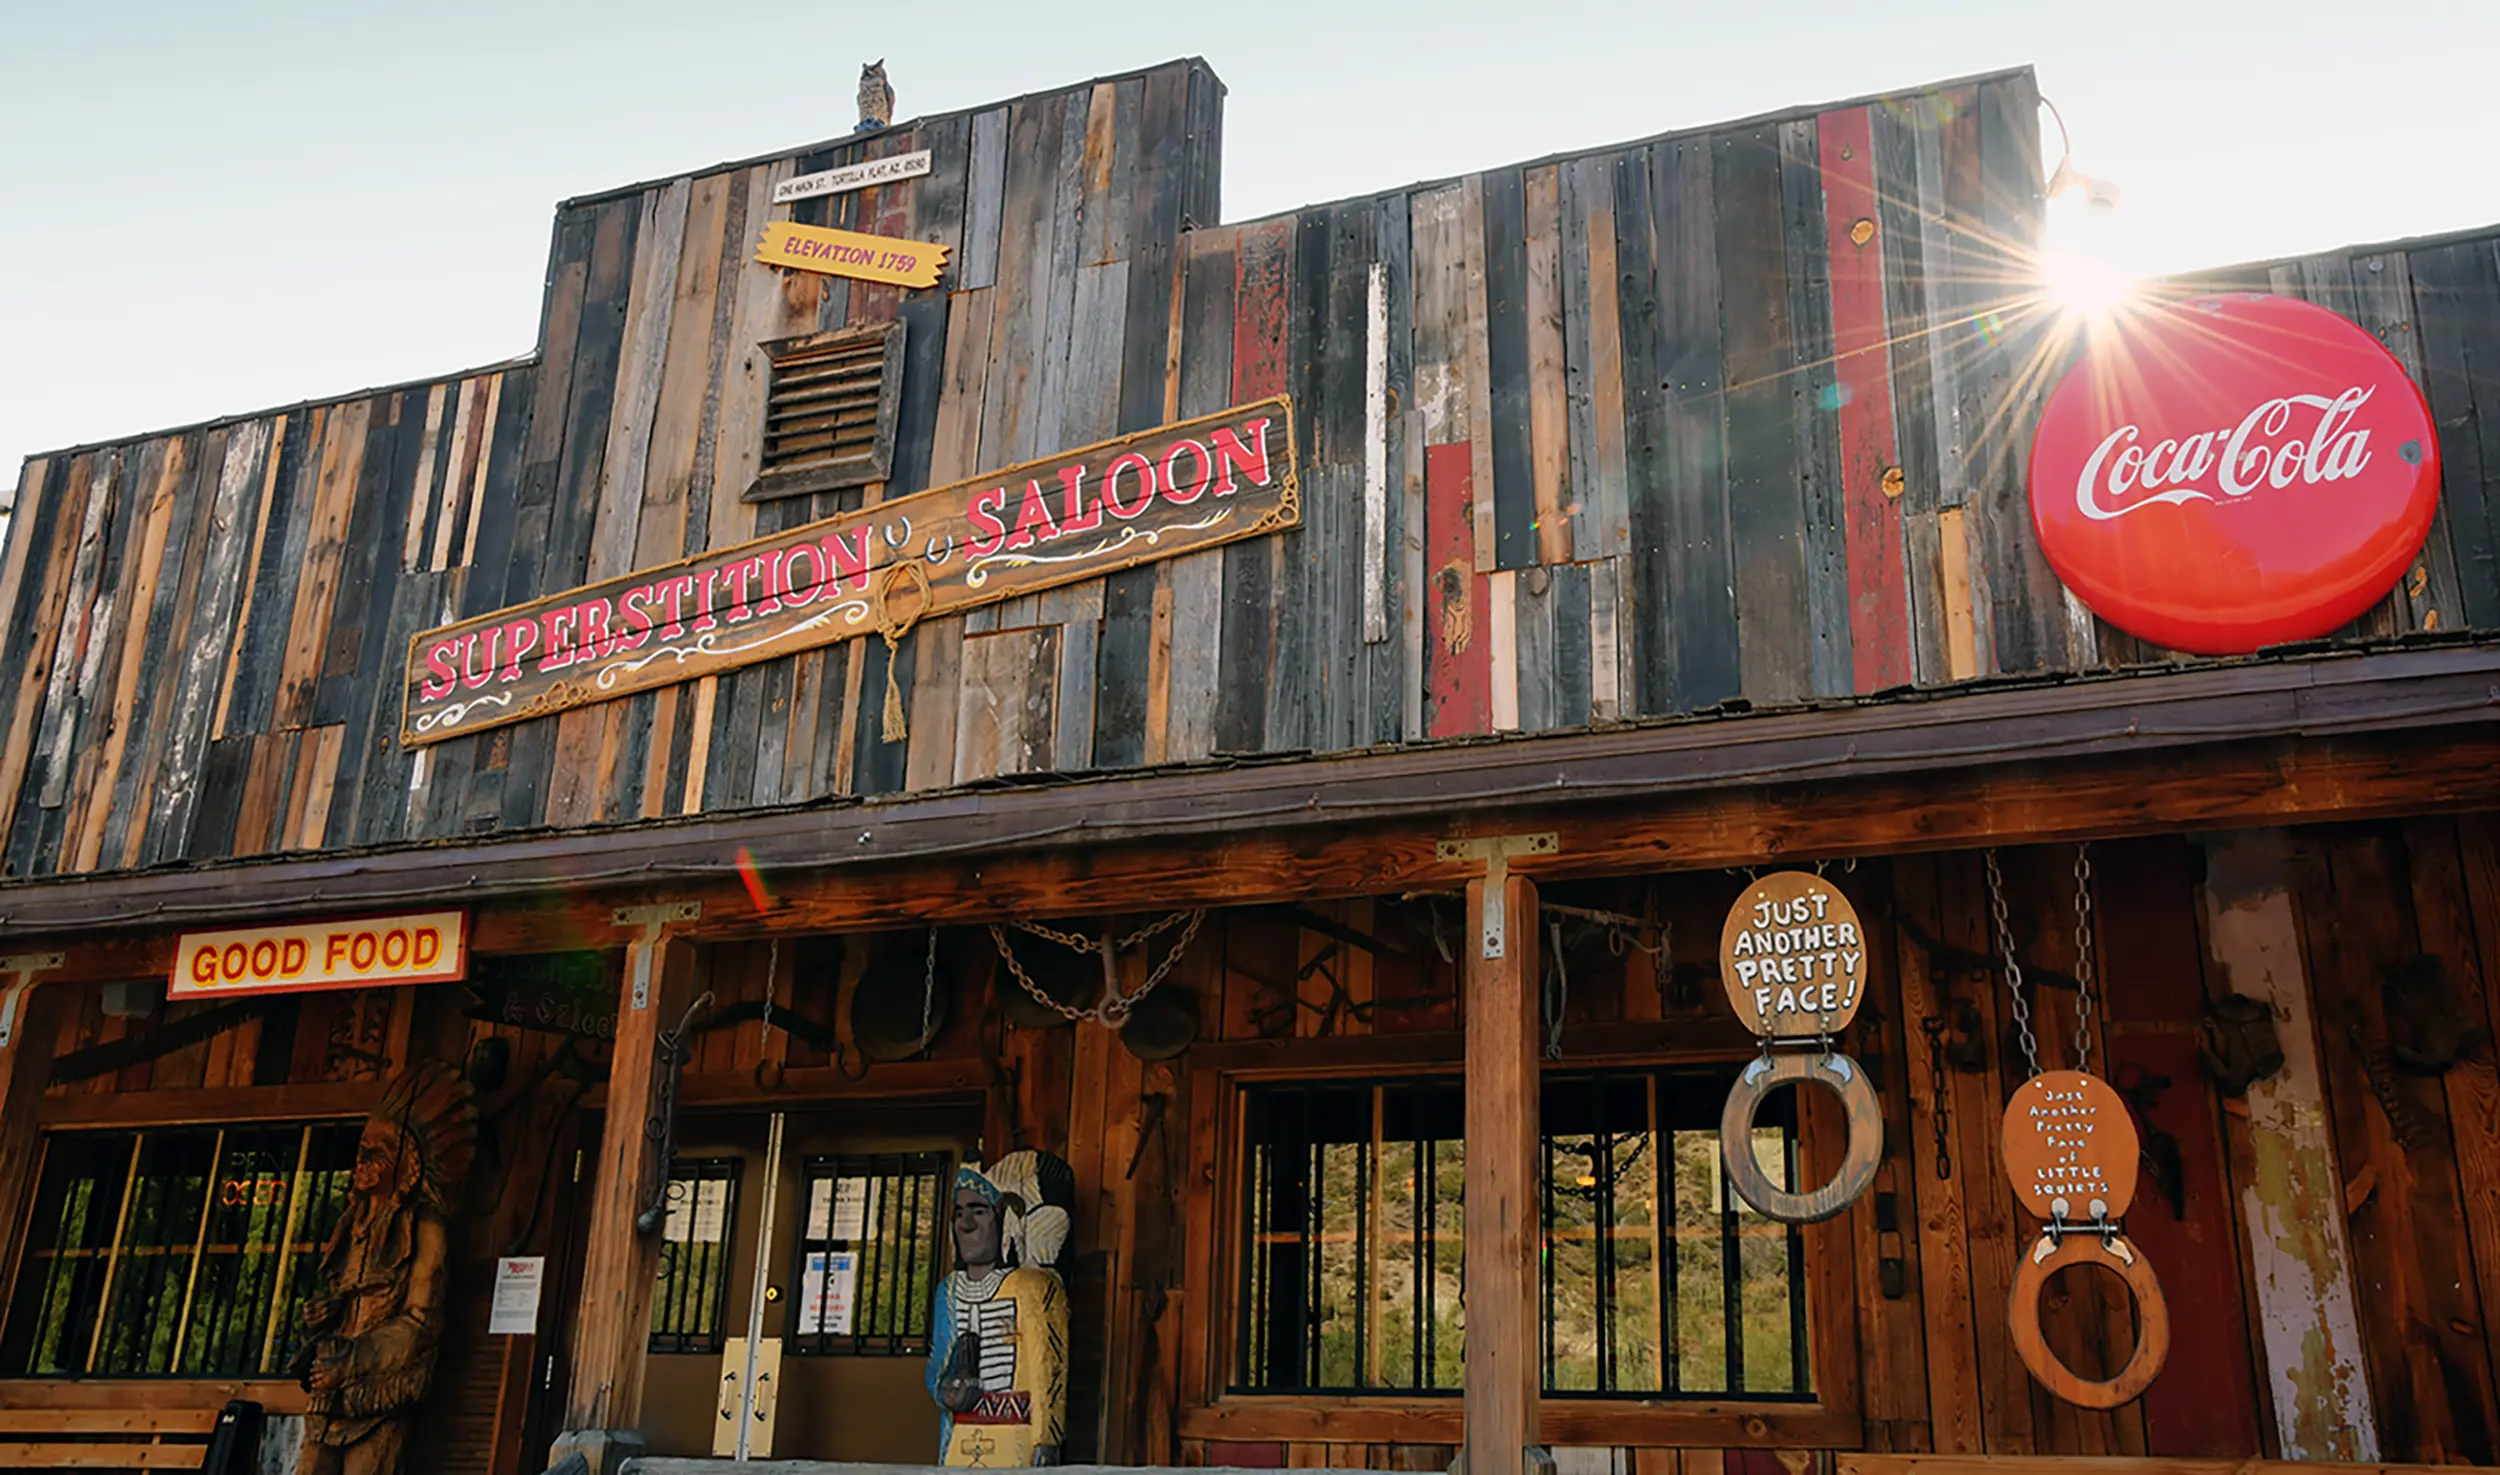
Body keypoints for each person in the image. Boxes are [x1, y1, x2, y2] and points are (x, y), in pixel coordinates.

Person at [294, 1064, 476, 1475]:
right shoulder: (350, 1224)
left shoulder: (425, 1226)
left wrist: (356, 1358)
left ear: (407, 1160)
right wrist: (317, 1320)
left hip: (379, 1394)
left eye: (377, 1152)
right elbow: (339, 1299)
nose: (361, 1160)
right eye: (361, 1149)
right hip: (327, 1400)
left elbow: (421, 1321)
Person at [926, 1152, 1073, 1467]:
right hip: (960, 1433)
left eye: (979, 1212)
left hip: (1017, 1433)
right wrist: (945, 1390)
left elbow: (1048, 1367)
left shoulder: (1033, 1287)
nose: (965, 1224)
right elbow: (938, 1360)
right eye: (959, 1213)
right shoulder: (948, 1291)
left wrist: (1046, 1439)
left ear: (1005, 1221)